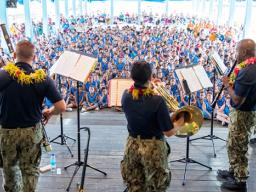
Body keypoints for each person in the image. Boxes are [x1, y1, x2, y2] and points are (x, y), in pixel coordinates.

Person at [0, 40, 66, 192]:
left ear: (14, 55)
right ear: (34, 58)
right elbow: (61, 106)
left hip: (7, 132)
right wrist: (49, 112)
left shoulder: (2, 75)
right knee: (30, 170)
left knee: (9, 169)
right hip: (31, 132)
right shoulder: (42, 79)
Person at [121, 61, 184, 192]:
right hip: (153, 149)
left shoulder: (125, 95)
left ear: (132, 77)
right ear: (150, 77)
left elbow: (141, 99)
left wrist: (149, 85)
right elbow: (169, 132)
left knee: (134, 185)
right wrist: (180, 122)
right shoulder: (158, 101)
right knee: (156, 186)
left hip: (132, 146)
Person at [217, 39, 256, 191]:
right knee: (233, 143)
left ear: (245, 52)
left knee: (239, 147)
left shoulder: (247, 72)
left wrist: (227, 85)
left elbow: (237, 99)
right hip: (246, 112)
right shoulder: (250, 68)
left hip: (242, 114)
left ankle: (240, 181)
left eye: (237, 51)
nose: (235, 54)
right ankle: (233, 172)